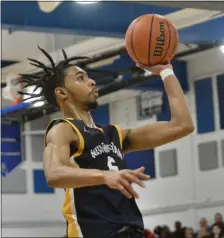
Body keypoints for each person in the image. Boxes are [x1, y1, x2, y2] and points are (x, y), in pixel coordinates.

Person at [19, 47, 194, 238]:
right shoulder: (62, 129)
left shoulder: (114, 134)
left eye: (88, 77)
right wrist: (104, 176)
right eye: (81, 78)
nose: (92, 81)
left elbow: (182, 125)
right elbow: (54, 174)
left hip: (131, 230)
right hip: (93, 232)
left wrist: (166, 71)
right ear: (61, 92)